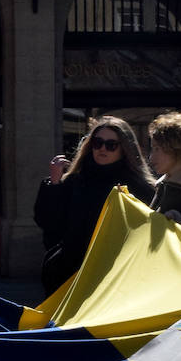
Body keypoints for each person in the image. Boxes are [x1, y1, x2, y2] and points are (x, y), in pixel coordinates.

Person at [33, 116, 157, 294]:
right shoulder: (74, 179)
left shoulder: (139, 187)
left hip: (113, 275)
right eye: (97, 143)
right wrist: (54, 184)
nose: (102, 149)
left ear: (124, 149)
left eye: (111, 145)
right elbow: (47, 221)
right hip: (69, 271)